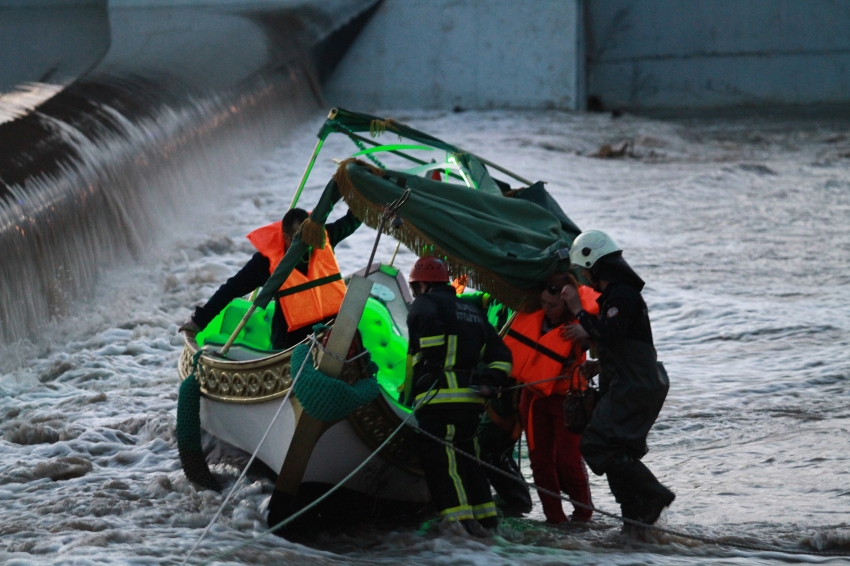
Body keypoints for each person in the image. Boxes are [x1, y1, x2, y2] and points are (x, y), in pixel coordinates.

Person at [559, 230, 674, 530]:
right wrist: (598, 366)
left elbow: (609, 334)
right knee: (615, 450)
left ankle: (654, 495)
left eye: (584, 270)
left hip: (637, 386)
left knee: (597, 444)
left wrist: (578, 312)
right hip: (632, 382)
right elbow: (625, 344)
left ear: (594, 264)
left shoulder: (623, 294)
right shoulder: (615, 297)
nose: (583, 277)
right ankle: (634, 521)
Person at [402, 257, 512, 535]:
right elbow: (502, 357)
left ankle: (459, 528)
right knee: (470, 461)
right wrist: (489, 382)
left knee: (442, 462)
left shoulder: (425, 303)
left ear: (423, 284)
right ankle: (488, 524)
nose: (416, 294)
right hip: (472, 402)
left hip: (439, 399)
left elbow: (425, 340)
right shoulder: (472, 311)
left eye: (416, 288)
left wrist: (431, 355)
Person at [180, 207, 360, 349]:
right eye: (298, 239)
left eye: (308, 237)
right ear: (286, 238)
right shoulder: (265, 262)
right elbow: (231, 288)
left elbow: (353, 219)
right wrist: (199, 320)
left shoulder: (322, 237)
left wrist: (369, 191)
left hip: (331, 329)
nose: (305, 245)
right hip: (292, 341)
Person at [503, 274, 599, 524]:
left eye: (553, 304)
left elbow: (608, 345)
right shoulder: (530, 318)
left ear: (567, 303)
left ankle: (583, 514)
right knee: (540, 462)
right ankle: (554, 518)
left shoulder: (581, 326)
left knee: (569, 461)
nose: (547, 308)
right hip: (533, 399)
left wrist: (586, 333)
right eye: (544, 302)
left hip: (568, 400)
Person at [458, 290, 532, 516]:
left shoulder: (524, 305)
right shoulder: (493, 300)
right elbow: (463, 300)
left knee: (489, 445)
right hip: (491, 386)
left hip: (509, 389)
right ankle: (513, 499)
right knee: (490, 447)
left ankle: (518, 500)